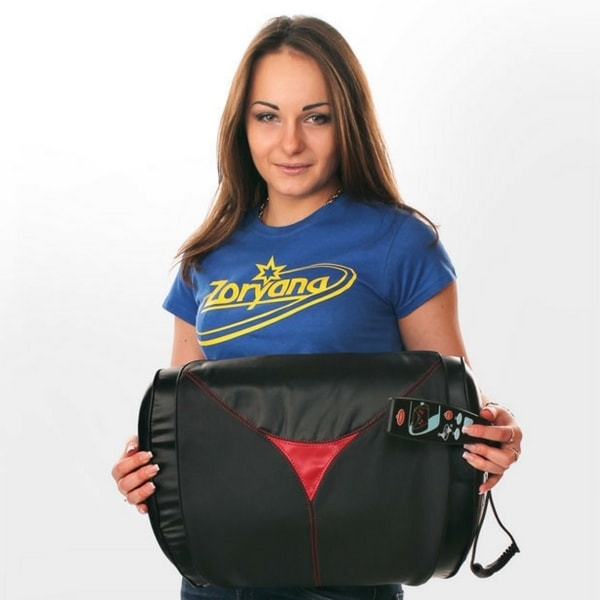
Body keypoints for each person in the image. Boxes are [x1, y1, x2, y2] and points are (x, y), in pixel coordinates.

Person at [111, 14, 522, 600]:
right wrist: (145, 470)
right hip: (218, 574)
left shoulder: (401, 243)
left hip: (351, 573)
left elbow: (448, 413)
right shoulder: (208, 256)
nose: (290, 143)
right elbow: (192, 418)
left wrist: (491, 432)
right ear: (241, 125)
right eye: (268, 116)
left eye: (316, 117)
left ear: (346, 121)